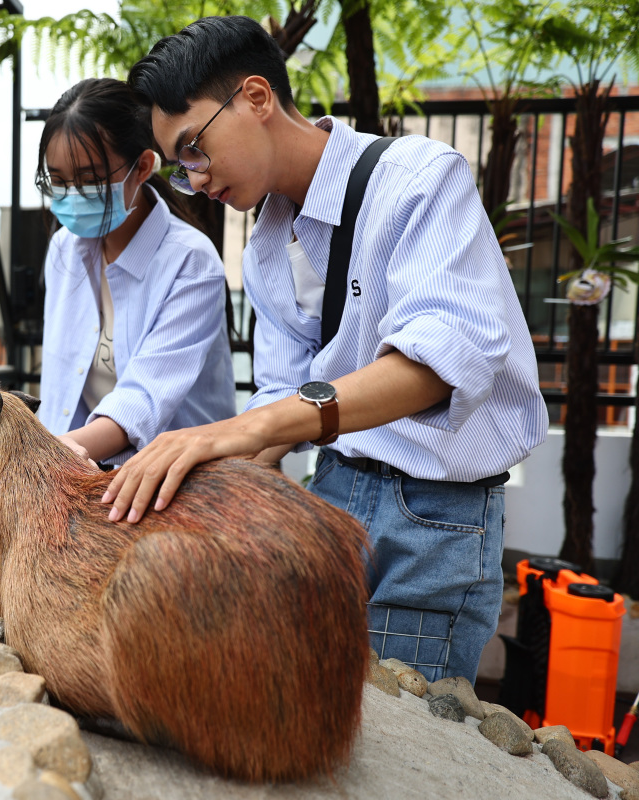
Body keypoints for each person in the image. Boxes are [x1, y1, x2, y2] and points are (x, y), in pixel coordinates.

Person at [103, 16, 547, 682]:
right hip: (333, 496)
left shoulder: (418, 179)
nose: (194, 180)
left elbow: (436, 364)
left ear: (256, 98)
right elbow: (285, 398)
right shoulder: (264, 249)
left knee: (401, 748)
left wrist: (243, 427)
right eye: (178, 165)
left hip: (431, 513)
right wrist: (183, 491)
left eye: (194, 148)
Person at [35, 77, 236, 464]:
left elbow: (141, 401)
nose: (72, 195)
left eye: (90, 180)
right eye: (58, 182)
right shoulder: (65, 250)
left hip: (181, 486)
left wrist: (45, 459)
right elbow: (60, 392)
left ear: (143, 166)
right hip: (82, 474)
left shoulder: (190, 263)